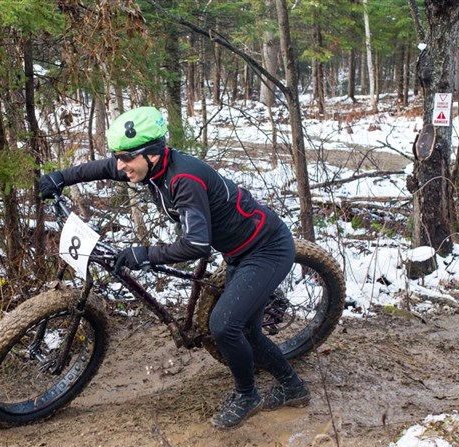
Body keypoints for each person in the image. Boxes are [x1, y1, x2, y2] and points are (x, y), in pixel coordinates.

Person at [39, 106, 309, 429]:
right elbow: (105, 168)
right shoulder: (150, 167)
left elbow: (196, 245)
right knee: (246, 331)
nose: (120, 165)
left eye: (125, 158)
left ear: (151, 154)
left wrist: (145, 254)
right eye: (119, 157)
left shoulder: (183, 180)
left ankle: (248, 394)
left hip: (266, 249)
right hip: (239, 251)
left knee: (224, 326)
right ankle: (292, 387)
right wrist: (60, 178)